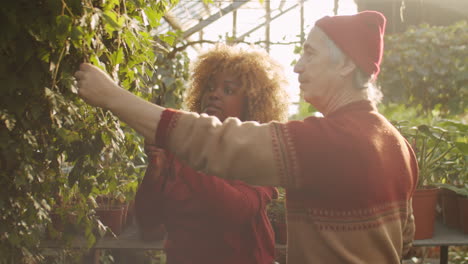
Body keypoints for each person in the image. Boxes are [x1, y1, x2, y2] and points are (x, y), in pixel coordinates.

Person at [75, 11, 419, 264]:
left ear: (346, 66)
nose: (298, 66)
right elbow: (404, 241)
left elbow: (217, 144)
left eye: (310, 54)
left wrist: (112, 96)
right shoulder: (397, 144)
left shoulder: (329, 140)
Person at [133, 44, 289, 264]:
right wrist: (155, 171)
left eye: (228, 90)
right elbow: (148, 223)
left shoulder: (257, 149)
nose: (214, 95)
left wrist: (186, 153)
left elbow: (237, 210)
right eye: (209, 87)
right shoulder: (180, 148)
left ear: (251, 103)